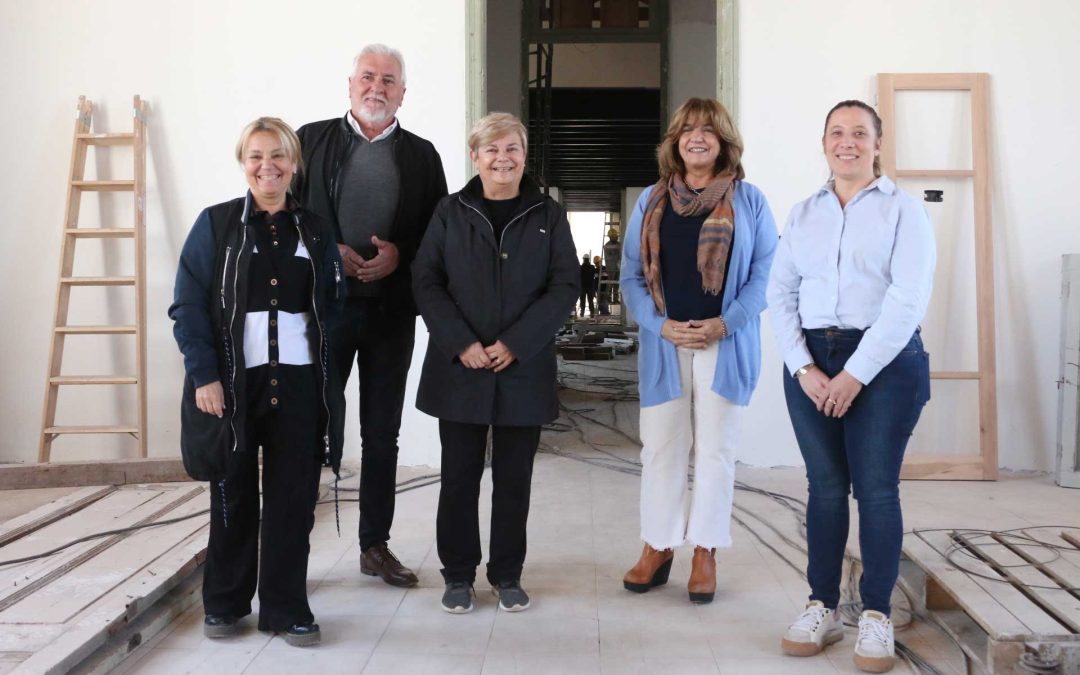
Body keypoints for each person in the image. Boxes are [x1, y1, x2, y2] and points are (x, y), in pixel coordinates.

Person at [767, 100, 934, 673]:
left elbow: (907, 300)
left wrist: (855, 374)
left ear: (878, 144)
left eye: (859, 133)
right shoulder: (803, 212)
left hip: (885, 363)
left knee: (877, 489)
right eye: (837, 133)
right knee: (825, 488)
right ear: (823, 143)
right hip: (813, 361)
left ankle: (877, 614)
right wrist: (803, 368)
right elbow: (780, 295)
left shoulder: (904, 213)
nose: (848, 142)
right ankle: (823, 606)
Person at [169, 117, 345, 646]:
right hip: (231, 386)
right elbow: (189, 306)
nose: (267, 166)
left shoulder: (314, 229)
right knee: (232, 494)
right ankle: (225, 603)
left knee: (293, 499)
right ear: (243, 162)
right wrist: (204, 375)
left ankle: (287, 608)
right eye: (256, 156)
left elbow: (332, 306)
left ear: (294, 163)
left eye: (278, 156)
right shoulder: (216, 223)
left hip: (298, 385)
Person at [294, 44, 448, 587]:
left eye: (388, 80)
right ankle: (294, 547)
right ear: (350, 84)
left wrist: (400, 253)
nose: (376, 87)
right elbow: (282, 216)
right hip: (325, 310)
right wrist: (326, 249)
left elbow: (439, 232)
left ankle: (374, 546)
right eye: (367, 77)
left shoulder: (423, 156)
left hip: (390, 313)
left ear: (403, 92)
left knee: (383, 434)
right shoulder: (308, 141)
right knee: (310, 427)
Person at [412, 112, 578, 614]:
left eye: (512, 149)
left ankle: (507, 574)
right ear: (475, 155)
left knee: (514, 481)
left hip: (521, 369)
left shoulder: (547, 215)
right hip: (460, 367)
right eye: (492, 150)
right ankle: (458, 575)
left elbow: (565, 286)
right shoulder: (449, 211)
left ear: (525, 156)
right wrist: (460, 342)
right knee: (459, 479)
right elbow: (426, 281)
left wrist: (519, 342)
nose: (503, 159)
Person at [620, 97, 778, 604]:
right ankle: (658, 545)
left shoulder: (749, 200)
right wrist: (660, 326)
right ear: (675, 141)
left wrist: (723, 324)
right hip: (666, 344)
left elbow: (765, 275)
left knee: (715, 451)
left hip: (722, 343)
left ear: (724, 141)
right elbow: (630, 277)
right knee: (661, 447)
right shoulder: (651, 200)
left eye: (708, 130)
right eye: (687, 129)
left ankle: (705, 549)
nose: (697, 137)